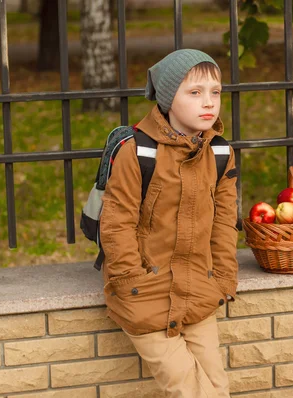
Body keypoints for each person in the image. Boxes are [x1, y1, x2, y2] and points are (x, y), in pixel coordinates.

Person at [99, 49, 238, 398]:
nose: (208, 102)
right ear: (167, 99)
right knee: (188, 390)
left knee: (217, 387)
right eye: (194, 93)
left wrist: (222, 280)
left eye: (215, 92)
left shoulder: (220, 153)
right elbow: (117, 224)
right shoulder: (137, 151)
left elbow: (224, 224)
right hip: (145, 296)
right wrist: (134, 285)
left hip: (198, 295)